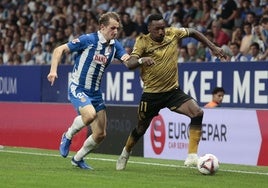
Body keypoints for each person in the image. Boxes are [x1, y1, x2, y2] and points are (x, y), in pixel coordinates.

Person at [116, 14, 227, 171]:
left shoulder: (172, 33)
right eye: (157, 29)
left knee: (197, 112)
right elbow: (129, 63)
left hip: (172, 91)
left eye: (163, 28)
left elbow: (194, 32)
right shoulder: (143, 41)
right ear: (149, 29)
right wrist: (142, 60)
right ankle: (125, 153)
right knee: (141, 128)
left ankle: (192, 155)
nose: (161, 32)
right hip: (151, 94)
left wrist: (213, 47)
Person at [47, 12, 130, 170]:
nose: (115, 31)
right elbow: (58, 50)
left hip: (96, 94)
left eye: (117, 29)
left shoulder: (115, 46)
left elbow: (128, 61)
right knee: (90, 115)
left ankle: (77, 159)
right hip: (78, 88)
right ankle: (68, 135)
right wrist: (53, 71)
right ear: (102, 27)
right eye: (112, 28)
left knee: (100, 134)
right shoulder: (88, 40)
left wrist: (140, 60)